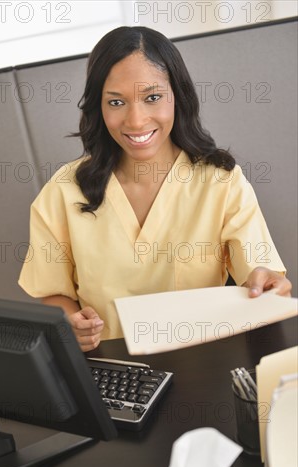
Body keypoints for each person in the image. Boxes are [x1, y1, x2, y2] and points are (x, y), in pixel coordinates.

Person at [18, 26, 291, 352]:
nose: (136, 121)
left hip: (205, 363)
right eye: (116, 101)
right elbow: (52, 292)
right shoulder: (62, 191)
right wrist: (70, 323)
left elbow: (260, 276)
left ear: (177, 95)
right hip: (114, 372)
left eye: (152, 98)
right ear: (98, 107)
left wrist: (269, 286)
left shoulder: (221, 181)